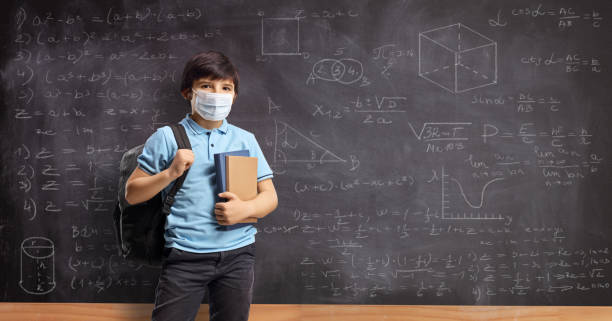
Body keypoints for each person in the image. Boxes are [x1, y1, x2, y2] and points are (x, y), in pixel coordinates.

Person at [124, 50, 278, 321]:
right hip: (185, 257)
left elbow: (270, 197)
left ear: (234, 96)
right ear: (188, 92)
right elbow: (132, 193)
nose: (217, 94)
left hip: (238, 255)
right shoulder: (167, 138)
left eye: (225, 88)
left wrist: (245, 209)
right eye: (207, 86)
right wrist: (170, 173)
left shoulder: (245, 140)